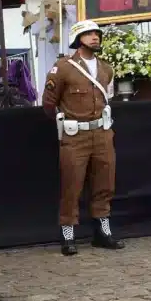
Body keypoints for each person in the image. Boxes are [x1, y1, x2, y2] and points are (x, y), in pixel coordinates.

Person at [42, 20, 125, 256]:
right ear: (78, 39)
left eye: (97, 34)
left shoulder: (106, 69)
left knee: (105, 182)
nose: (95, 38)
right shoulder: (63, 67)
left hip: (101, 132)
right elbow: (48, 103)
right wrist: (63, 121)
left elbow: (107, 97)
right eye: (89, 34)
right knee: (72, 184)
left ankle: (103, 231)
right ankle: (68, 234)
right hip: (74, 134)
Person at [22, 0, 66, 94]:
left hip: (50, 38)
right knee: (45, 71)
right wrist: (29, 18)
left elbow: (52, 18)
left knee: (49, 71)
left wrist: (33, 24)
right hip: (45, 39)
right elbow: (44, 14)